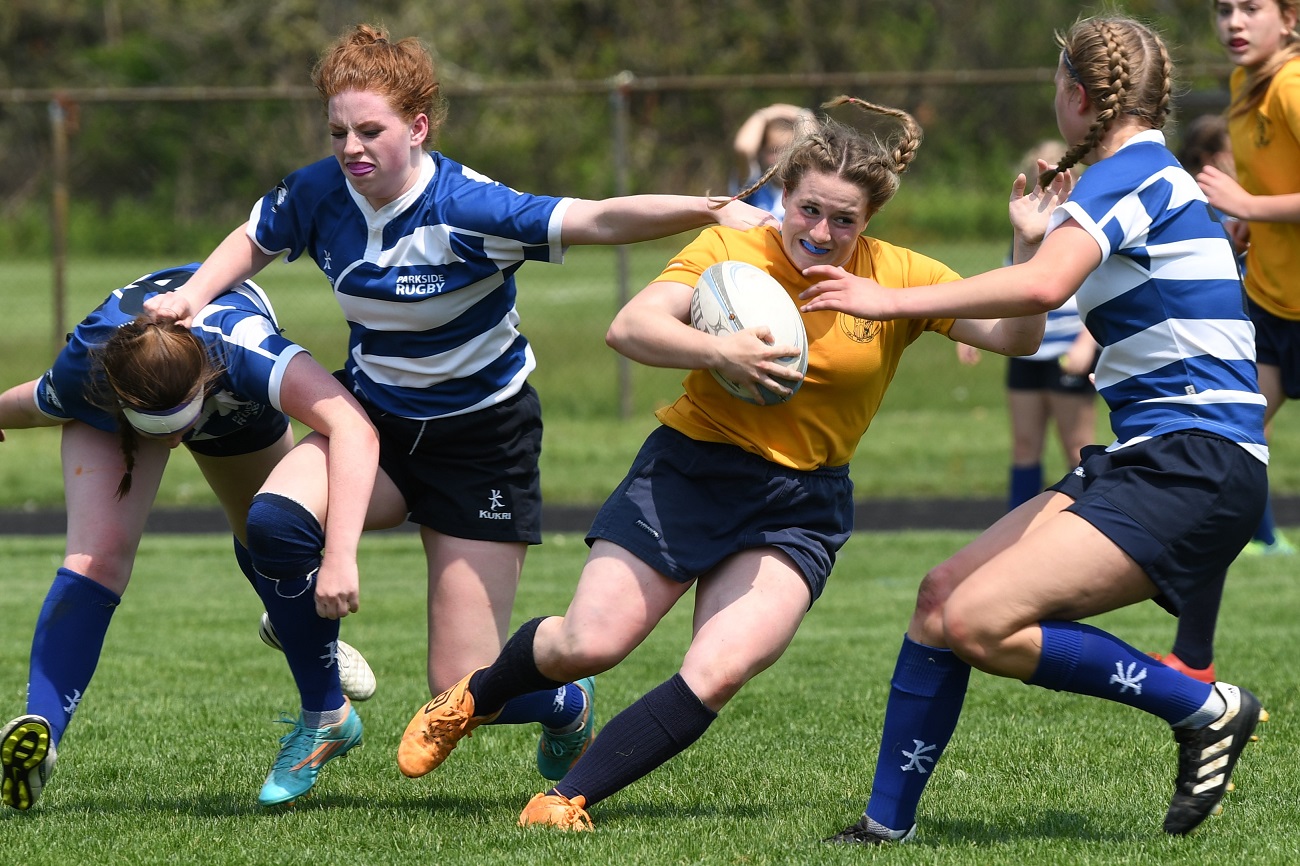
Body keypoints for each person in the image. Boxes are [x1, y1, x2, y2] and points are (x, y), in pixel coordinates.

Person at [392, 94, 1052, 831]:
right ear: (784, 193)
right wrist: (719, 349)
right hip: (690, 472)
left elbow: (1017, 338)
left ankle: (565, 798)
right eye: (808, 210)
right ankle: (475, 696)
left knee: (721, 668)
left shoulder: (895, 275)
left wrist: (1027, 249)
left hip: (802, 503)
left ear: (868, 222)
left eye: (844, 220)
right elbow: (630, 326)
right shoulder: (734, 250)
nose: (822, 233)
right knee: (591, 643)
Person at [142, 23, 775, 784]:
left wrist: (706, 209)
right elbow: (253, 238)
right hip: (375, 420)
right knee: (275, 523)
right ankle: (325, 715)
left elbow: (598, 217)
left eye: (370, 130)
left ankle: (564, 703)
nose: (351, 146)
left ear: (417, 127)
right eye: (338, 130)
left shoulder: (471, 208)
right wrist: (190, 296)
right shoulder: (319, 192)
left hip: (483, 444)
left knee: (460, 688)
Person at [801, 16, 1269, 844]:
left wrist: (887, 299)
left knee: (981, 622)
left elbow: (1047, 292)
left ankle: (1202, 706)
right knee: (942, 596)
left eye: (1057, 85)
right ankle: (884, 828)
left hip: (1192, 460)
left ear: (1077, 95)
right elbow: (1040, 291)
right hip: (1151, 453)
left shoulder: (1125, 175)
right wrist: (1029, 243)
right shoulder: (1146, 173)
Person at [0, 264, 380, 811]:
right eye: (156, 432)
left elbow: (349, 426)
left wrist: (340, 555)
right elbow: (41, 399)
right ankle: (45, 728)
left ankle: (311, 657)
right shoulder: (90, 365)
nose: (174, 445)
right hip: (131, 381)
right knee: (95, 559)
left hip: (225, 384)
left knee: (266, 531)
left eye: (179, 425)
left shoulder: (245, 350)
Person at [1196, 0, 1300, 559]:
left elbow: (1260, 196)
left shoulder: (1291, 85)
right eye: (1223, 9)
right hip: (1272, 302)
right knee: (1228, 446)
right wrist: (1248, 222)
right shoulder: (1245, 81)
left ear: (1288, 18)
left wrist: (1250, 205)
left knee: (1227, 448)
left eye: (1250, 8)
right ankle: (1192, 649)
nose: (1233, 22)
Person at [959, 141, 1099, 512]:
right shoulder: (1026, 227)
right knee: (1024, 446)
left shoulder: (1084, 229)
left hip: (1069, 352)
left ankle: (1088, 526)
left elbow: (1103, 290)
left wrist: (1088, 341)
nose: (1051, 184)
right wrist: (977, 324)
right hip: (1026, 349)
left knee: (1077, 448)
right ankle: (1015, 530)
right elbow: (1012, 283)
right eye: (1045, 177)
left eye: (1059, 175)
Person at [731, 103, 812, 219]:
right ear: (761, 152)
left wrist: (802, 114)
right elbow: (744, 148)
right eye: (773, 150)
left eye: (788, 150)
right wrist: (763, 115)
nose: (781, 158)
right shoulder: (751, 184)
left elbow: (814, 146)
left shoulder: (805, 187)